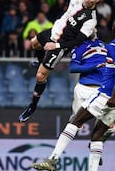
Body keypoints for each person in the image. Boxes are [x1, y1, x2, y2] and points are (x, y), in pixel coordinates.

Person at [19, 0, 102, 122]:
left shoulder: (91, 20)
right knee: (34, 43)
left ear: (98, 0)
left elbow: (77, 41)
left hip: (61, 45)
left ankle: (32, 106)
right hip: (53, 32)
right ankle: (40, 60)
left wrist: (56, 45)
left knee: (40, 75)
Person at [31, 38, 115, 171]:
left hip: (104, 93)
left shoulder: (109, 46)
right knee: (96, 135)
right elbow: (73, 67)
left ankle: (53, 159)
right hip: (86, 89)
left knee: (75, 123)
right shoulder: (83, 46)